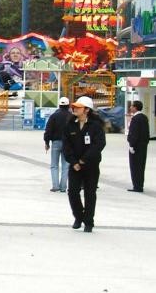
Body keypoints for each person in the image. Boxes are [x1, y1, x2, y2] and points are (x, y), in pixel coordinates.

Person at [62, 95, 106, 233]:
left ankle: (88, 221)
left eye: (78, 107)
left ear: (87, 110)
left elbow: (98, 145)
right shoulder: (70, 125)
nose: (74, 109)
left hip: (90, 165)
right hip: (75, 166)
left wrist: (84, 160)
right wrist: (73, 161)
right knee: (72, 192)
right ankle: (78, 216)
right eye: (74, 107)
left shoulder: (95, 126)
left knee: (90, 193)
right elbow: (66, 145)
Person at [43, 97, 72, 192]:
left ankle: (55, 186)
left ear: (59, 105)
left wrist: (47, 142)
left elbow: (48, 130)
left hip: (55, 142)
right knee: (65, 166)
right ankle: (63, 187)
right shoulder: (71, 116)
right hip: (68, 144)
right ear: (68, 105)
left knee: (54, 165)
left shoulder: (54, 116)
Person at [127, 99, 150, 192]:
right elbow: (146, 133)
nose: (130, 107)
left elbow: (134, 133)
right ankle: (140, 185)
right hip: (143, 146)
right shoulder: (144, 117)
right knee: (141, 166)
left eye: (132, 106)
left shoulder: (135, 119)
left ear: (135, 108)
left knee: (135, 166)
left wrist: (131, 145)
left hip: (136, 147)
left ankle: (137, 186)